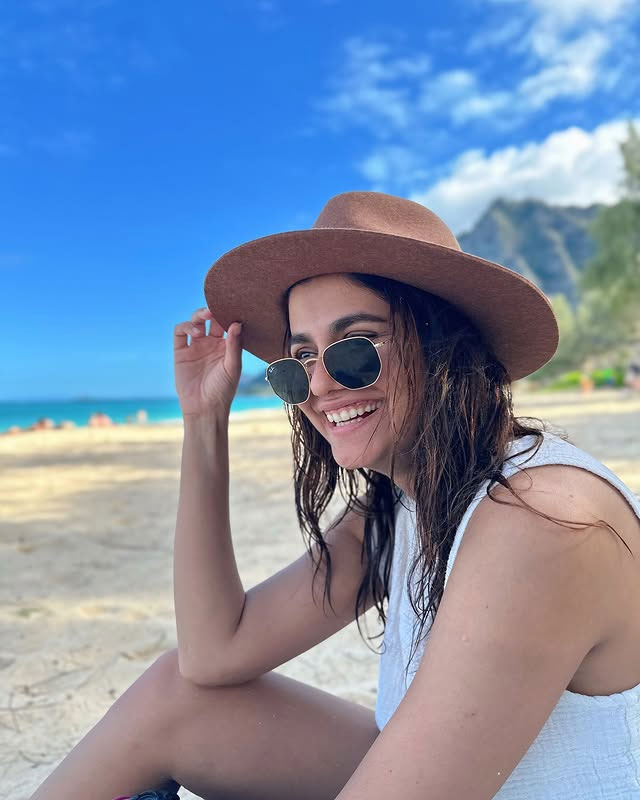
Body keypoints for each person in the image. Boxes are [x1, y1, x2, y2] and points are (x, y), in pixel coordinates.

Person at [30, 191, 640, 800]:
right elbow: (213, 654)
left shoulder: (540, 519)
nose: (319, 384)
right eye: (298, 360)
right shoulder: (403, 502)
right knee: (176, 699)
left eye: (356, 347)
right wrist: (203, 421)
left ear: (447, 345)